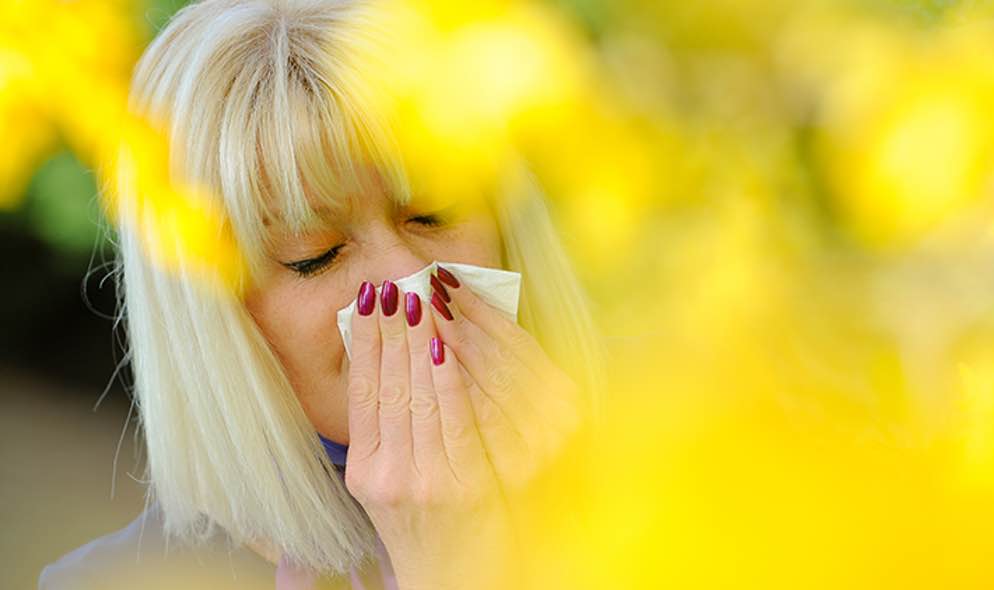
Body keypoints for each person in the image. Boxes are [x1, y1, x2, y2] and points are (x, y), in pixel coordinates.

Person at [39, 0, 604, 587]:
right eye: (315, 255)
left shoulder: (684, 466)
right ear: (213, 319)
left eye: (433, 214)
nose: (406, 277)